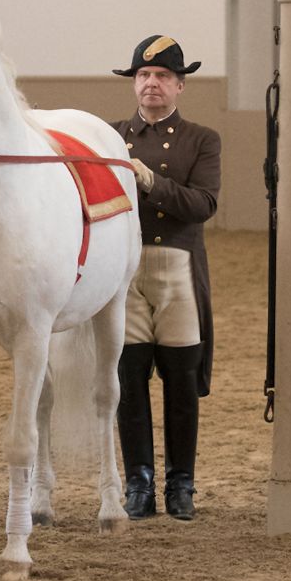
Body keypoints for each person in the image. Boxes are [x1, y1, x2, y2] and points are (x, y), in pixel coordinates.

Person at [109, 35, 221, 521]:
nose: (151, 84)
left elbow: (203, 205)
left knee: (180, 384)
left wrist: (152, 183)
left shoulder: (202, 139)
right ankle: (138, 482)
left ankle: (181, 484)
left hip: (177, 268)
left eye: (162, 77)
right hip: (126, 269)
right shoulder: (110, 136)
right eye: (143, 76)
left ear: (180, 86)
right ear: (134, 84)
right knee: (128, 383)